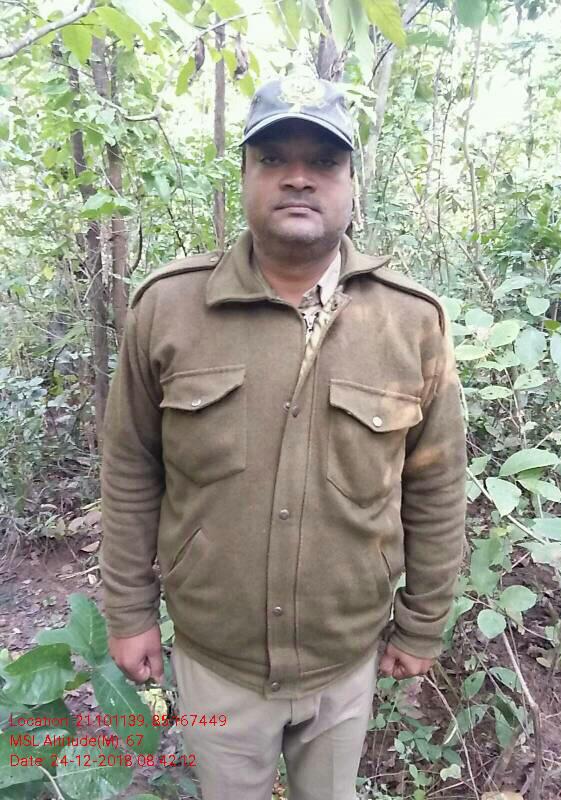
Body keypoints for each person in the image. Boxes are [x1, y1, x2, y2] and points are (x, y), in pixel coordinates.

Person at [99, 73, 467, 800]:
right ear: (244, 175)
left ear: (353, 182)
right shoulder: (169, 308)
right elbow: (130, 468)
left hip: (345, 661)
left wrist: (423, 623)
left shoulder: (410, 322)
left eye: (324, 161)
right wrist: (129, 612)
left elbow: (436, 484)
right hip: (215, 660)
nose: (299, 177)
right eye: (273, 158)